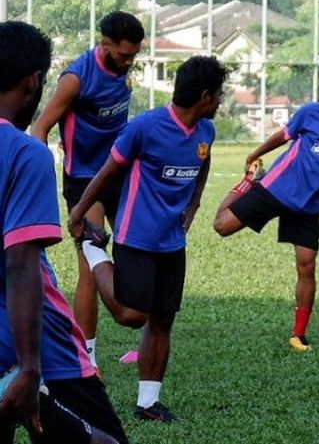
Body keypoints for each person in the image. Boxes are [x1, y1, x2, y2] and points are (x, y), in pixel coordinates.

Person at [68, 56, 226, 422]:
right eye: (218, 94)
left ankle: (148, 403)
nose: (221, 101)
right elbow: (106, 173)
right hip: (135, 237)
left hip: (173, 243)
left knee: (162, 320)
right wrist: (78, 214)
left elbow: (203, 166)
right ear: (204, 96)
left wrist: (195, 204)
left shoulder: (206, 132)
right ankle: (94, 251)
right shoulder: (145, 128)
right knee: (130, 315)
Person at [0, 21, 128, 444]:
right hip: (42, 351)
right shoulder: (24, 153)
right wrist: (30, 369)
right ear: (34, 82)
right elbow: (21, 266)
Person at [213, 70, 319, 352]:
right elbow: (283, 136)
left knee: (307, 265)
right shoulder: (313, 113)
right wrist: (255, 155)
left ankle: (299, 334)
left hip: (307, 205)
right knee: (221, 227)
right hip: (274, 188)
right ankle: (247, 183)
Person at [31, 11, 144, 370]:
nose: (130, 61)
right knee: (91, 267)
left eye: (134, 55)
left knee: (143, 252)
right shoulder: (76, 79)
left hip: (120, 173)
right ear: (106, 44)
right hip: (83, 181)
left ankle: (147, 344)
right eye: (125, 55)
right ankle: (87, 361)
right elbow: (40, 128)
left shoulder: (124, 67)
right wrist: (40, 176)